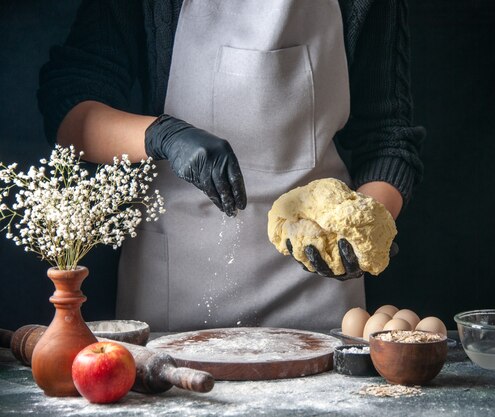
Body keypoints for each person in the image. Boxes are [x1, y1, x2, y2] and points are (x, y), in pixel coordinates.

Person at [37, 0, 425, 332]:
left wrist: (366, 223)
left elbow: (388, 136)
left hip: (316, 290)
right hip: (178, 286)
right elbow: (71, 113)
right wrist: (162, 136)